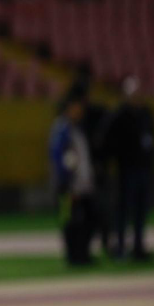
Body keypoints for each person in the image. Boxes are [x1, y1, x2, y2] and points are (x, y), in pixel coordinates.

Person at [101, 75, 154, 260]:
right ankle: (120, 245)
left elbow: (151, 139)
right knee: (123, 210)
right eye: (133, 93)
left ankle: (138, 246)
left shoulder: (146, 113)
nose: (137, 96)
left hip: (143, 169)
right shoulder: (119, 114)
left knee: (141, 210)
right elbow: (106, 139)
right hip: (127, 170)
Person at [49, 89, 97, 265]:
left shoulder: (79, 128)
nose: (79, 111)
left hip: (84, 185)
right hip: (68, 186)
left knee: (89, 219)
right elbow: (60, 158)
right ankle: (73, 256)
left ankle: (82, 253)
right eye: (76, 108)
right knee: (70, 221)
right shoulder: (62, 129)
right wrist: (67, 183)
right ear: (69, 108)